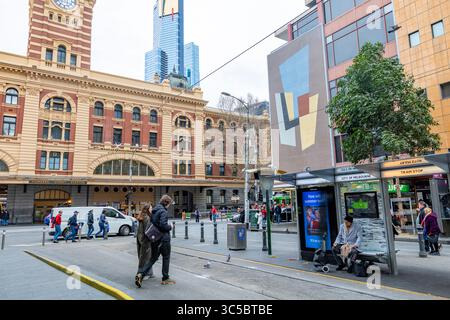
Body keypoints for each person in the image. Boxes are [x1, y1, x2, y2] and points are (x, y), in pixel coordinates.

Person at [146, 195, 175, 285]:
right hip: (164, 239)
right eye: (169, 204)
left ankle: (141, 273)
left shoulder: (155, 210)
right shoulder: (163, 211)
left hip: (155, 238)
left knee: (153, 258)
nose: (169, 205)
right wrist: (170, 226)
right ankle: (165, 278)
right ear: (166, 203)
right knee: (166, 258)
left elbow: (154, 223)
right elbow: (163, 225)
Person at [135, 205, 154, 288]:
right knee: (145, 258)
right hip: (145, 241)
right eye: (151, 208)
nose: (152, 209)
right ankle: (142, 274)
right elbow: (147, 230)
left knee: (144, 257)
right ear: (147, 209)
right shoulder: (147, 217)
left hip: (140, 239)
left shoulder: (141, 216)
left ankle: (150, 273)